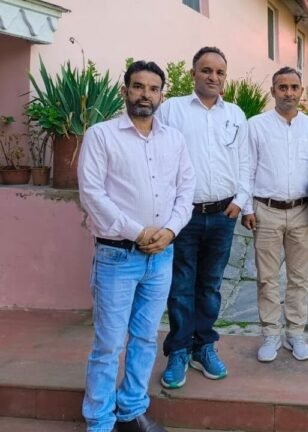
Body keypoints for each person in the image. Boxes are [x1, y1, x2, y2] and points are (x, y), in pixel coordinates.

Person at [78, 60, 195, 432]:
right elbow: (92, 194)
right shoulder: (101, 135)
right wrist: (137, 231)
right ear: (125, 90)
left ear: (162, 95)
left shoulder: (174, 139)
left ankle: (130, 411)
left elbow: (186, 190)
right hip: (117, 256)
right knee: (109, 344)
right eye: (139, 86)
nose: (146, 94)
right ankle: (99, 421)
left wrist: (170, 231)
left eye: (153, 88)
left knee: (145, 338)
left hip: (161, 256)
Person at [157, 46, 250, 389]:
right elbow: (158, 156)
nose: (213, 77)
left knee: (210, 286)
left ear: (225, 77)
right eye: (206, 70)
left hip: (223, 214)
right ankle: (179, 350)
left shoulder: (235, 114)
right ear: (193, 73)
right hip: (184, 216)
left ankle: (204, 347)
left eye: (219, 72)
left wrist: (241, 200)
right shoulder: (172, 110)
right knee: (181, 286)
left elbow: (245, 160)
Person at [241, 67, 308, 362]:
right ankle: (270, 333)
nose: (288, 93)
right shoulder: (256, 126)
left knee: (299, 277)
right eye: (282, 87)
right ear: (273, 91)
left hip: (302, 211)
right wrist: (246, 207)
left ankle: (295, 333)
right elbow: (247, 168)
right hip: (266, 211)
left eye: (294, 87)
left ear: (302, 91)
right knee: (267, 277)